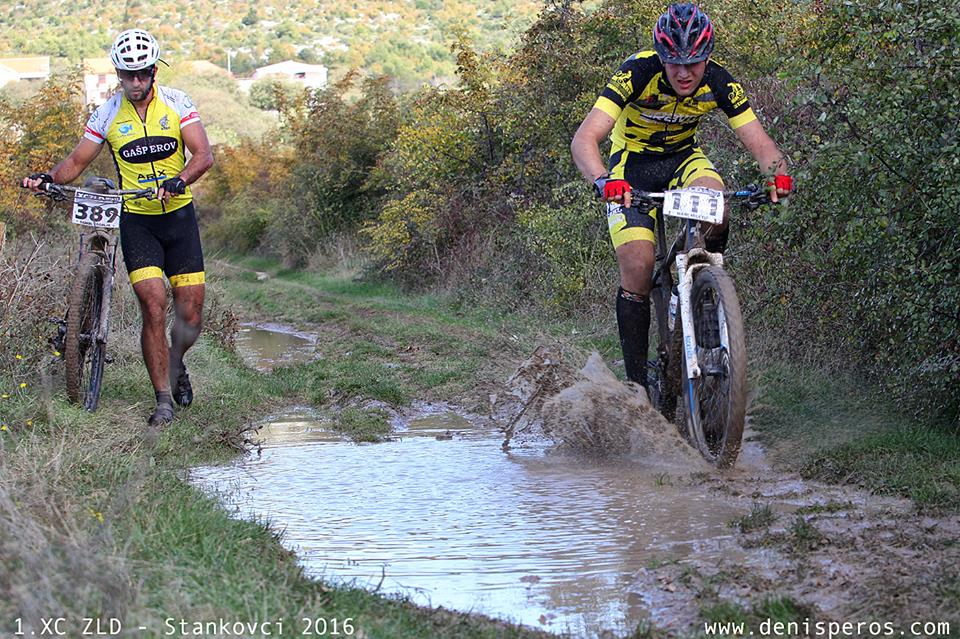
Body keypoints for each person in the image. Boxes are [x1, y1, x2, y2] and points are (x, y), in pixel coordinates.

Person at [570, 2, 792, 390]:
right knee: (638, 265)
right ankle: (637, 385)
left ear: (707, 58)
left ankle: (707, 284)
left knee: (717, 205)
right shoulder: (636, 72)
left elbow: (761, 145)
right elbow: (585, 139)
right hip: (631, 166)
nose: (685, 72)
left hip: (684, 160)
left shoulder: (720, 81)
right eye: (675, 62)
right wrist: (604, 181)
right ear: (661, 55)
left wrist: (779, 177)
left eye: (694, 62)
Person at [23, 28, 214, 427]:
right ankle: (162, 400)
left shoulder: (178, 104)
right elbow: (76, 162)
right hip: (138, 220)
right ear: (119, 75)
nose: (136, 82)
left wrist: (180, 179)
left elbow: (203, 154)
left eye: (142, 74)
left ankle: (176, 363)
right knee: (152, 304)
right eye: (128, 75)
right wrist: (48, 178)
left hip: (178, 217)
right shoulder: (107, 113)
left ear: (153, 72)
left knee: (191, 316)